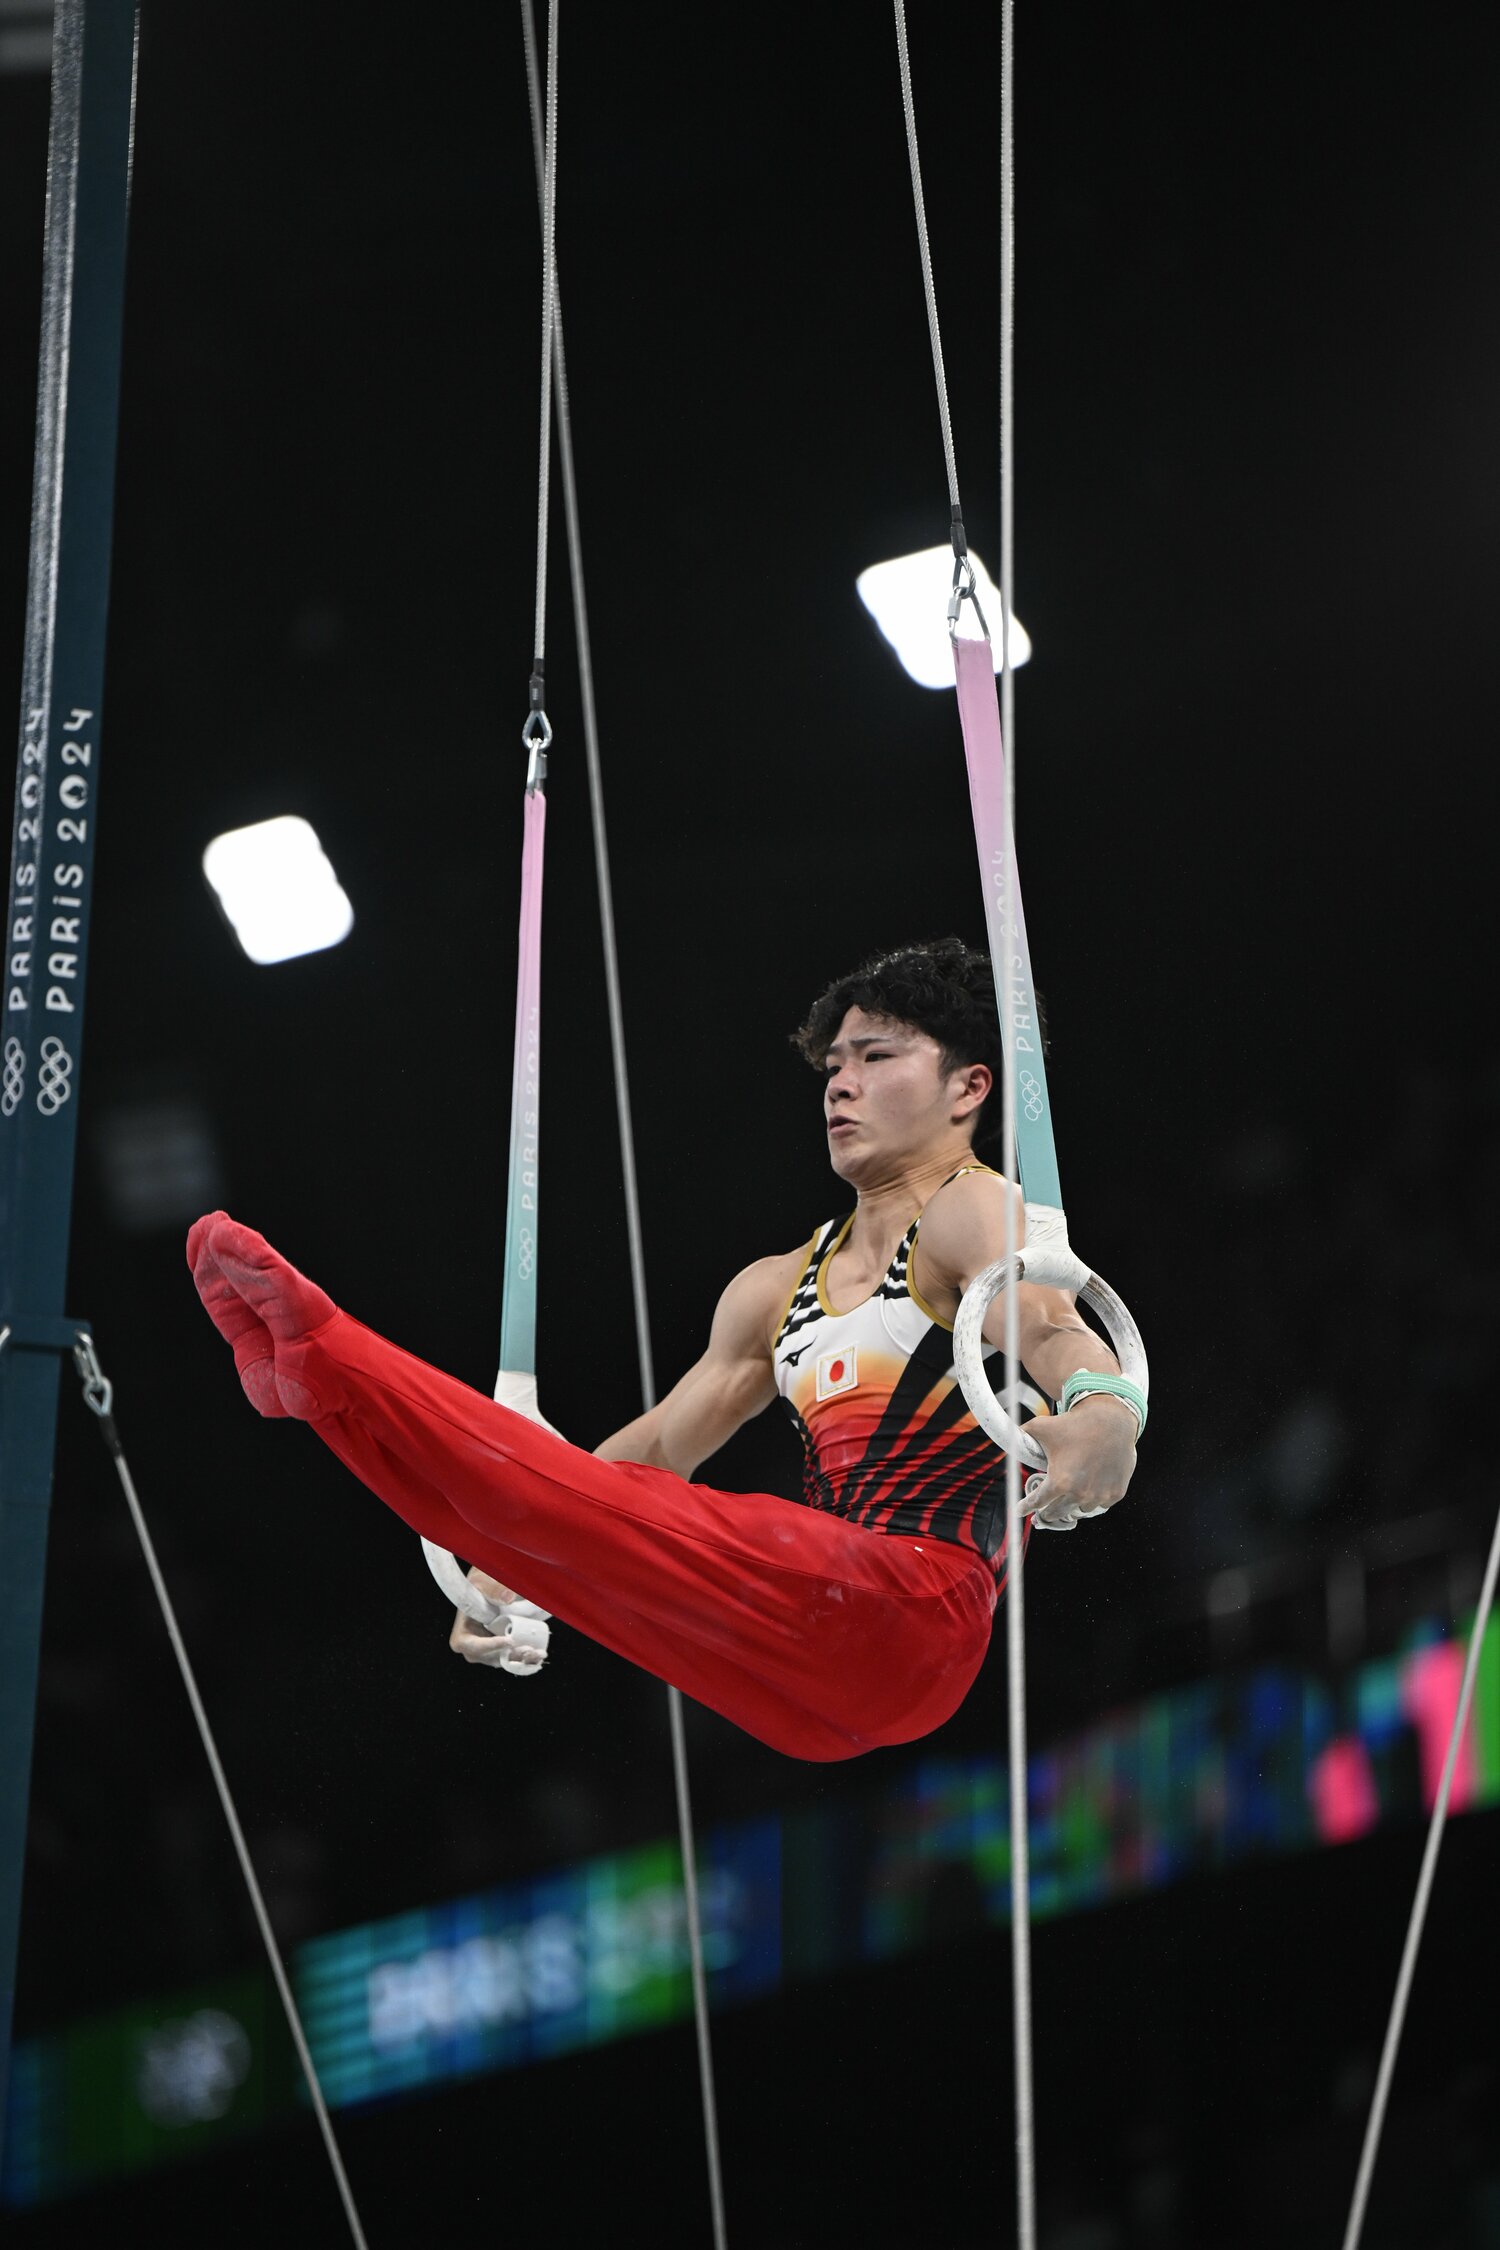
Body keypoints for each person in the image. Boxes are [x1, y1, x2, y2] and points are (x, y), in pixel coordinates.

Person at [187, 937, 1137, 1761]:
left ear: (970, 1086)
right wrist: (515, 1564)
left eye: (876, 1055)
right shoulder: (775, 1287)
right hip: (803, 1685)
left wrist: (1102, 1408)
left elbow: (1049, 1324)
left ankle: (325, 1353)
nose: (841, 1083)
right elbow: (647, 1459)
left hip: (915, 1615)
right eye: (832, 1065)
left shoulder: (967, 1209)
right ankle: (322, 1396)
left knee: (563, 1513)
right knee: (569, 1533)